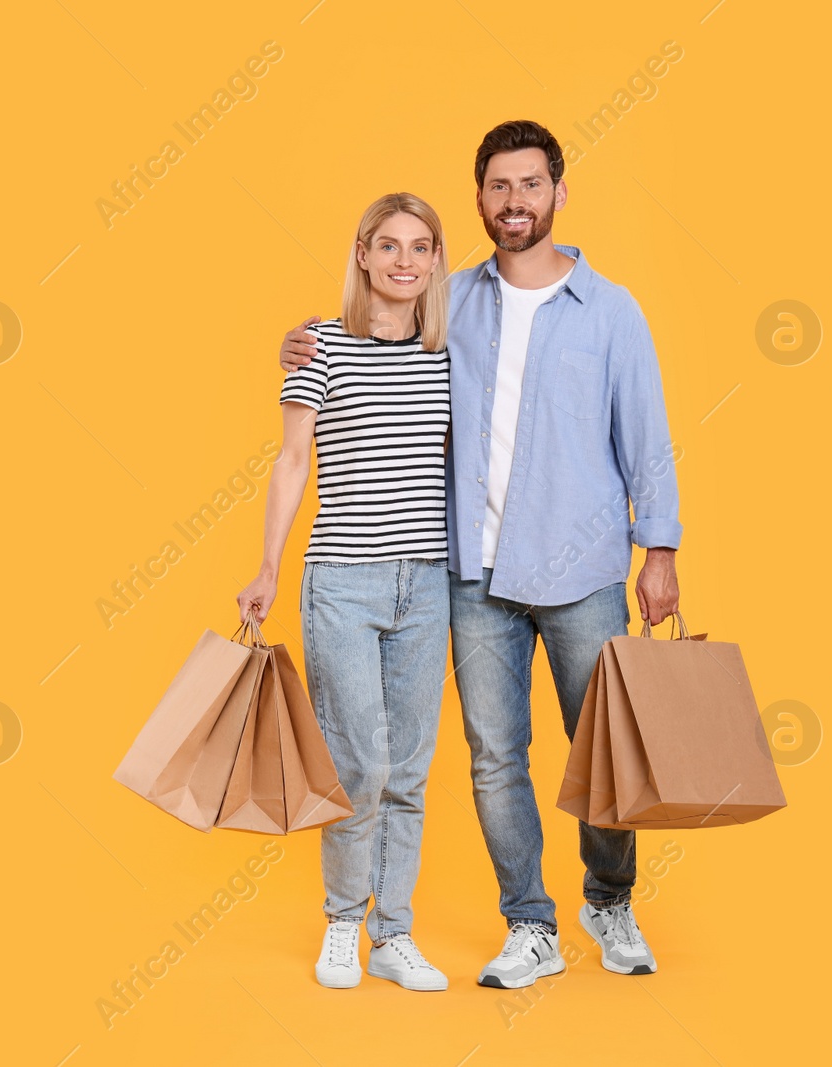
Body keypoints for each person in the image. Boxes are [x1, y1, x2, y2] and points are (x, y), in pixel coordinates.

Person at [278, 120, 683, 989]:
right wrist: (304, 344)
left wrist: (661, 546)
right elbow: (374, 331)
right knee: (495, 756)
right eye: (499, 188)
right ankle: (528, 921)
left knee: (600, 745)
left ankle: (608, 898)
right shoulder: (448, 301)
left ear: (558, 194)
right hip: (470, 574)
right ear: (481, 199)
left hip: (582, 573)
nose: (515, 203)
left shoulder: (610, 310)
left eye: (531, 185)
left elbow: (647, 435)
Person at [237, 193, 453, 992]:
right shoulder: (320, 348)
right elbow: (293, 460)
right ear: (362, 254)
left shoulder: (447, 353)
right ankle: (342, 923)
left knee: (411, 767)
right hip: (343, 583)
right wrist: (268, 565)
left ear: (435, 260)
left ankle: (395, 935)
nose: (405, 260)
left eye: (421, 247)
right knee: (360, 762)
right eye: (389, 245)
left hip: (428, 586)